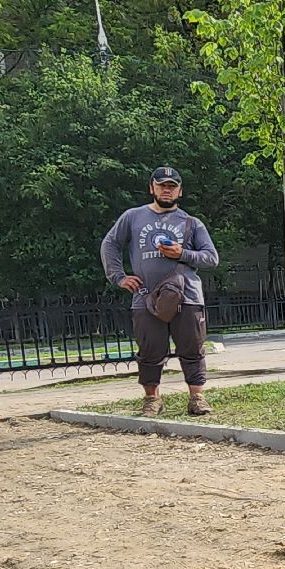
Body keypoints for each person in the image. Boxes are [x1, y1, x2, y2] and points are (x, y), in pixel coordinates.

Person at [100, 166, 220, 417]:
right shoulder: (132, 217)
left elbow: (211, 258)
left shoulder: (192, 223)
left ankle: (197, 398)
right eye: (162, 185)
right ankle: (152, 399)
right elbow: (110, 243)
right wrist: (119, 277)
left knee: (192, 346)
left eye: (172, 186)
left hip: (186, 296)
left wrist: (182, 253)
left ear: (180, 191)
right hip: (145, 295)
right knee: (149, 350)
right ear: (151, 187)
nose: (167, 189)